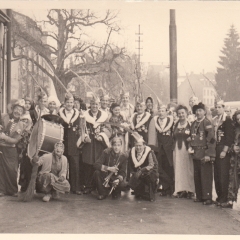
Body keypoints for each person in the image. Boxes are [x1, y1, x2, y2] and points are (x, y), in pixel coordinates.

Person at [81, 95, 112, 194]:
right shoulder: (84, 115)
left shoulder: (104, 116)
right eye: (93, 104)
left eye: (96, 104)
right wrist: (84, 136)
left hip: (99, 144)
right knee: (88, 165)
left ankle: (97, 186)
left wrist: (102, 135)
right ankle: (88, 186)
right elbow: (80, 129)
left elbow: (109, 130)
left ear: (99, 105)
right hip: (89, 144)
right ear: (90, 104)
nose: (95, 106)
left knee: (98, 165)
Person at [189, 102, 216, 205]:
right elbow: (192, 137)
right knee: (197, 175)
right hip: (196, 153)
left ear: (204, 112)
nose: (198, 112)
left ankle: (207, 197)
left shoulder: (207, 123)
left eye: (200, 110)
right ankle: (199, 196)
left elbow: (212, 139)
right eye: (196, 111)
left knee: (206, 176)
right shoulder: (194, 123)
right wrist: (190, 147)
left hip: (205, 153)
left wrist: (209, 154)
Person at [0, 99, 26, 197]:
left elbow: (15, 140)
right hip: (1, 147)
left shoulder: (22, 125)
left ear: (22, 113)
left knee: (12, 170)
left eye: (20, 110)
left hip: (11, 149)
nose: (17, 112)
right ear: (13, 109)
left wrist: (4, 137)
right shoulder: (4, 117)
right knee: (1, 169)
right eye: (16, 109)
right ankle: (2, 190)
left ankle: (12, 190)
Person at [148, 103, 174, 197]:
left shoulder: (171, 121)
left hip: (168, 147)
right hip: (159, 148)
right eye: (159, 111)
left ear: (167, 112)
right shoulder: (155, 121)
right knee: (160, 167)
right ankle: (165, 187)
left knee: (169, 167)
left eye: (163, 111)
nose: (161, 113)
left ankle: (170, 189)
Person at [58, 92, 82, 195]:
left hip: (74, 143)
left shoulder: (78, 114)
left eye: (71, 102)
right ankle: (60, 186)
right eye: (67, 102)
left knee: (74, 165)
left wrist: (80, 140)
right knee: (61, 165)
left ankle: (75, 187)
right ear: (64, 103)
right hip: (62, 142)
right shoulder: (59, 113)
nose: (69, 104)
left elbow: (82, 128)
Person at [212, 100, 234, 207]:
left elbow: (229, 138)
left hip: (222, 148)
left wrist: (225, 150)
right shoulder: (215, 120)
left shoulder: (227, 120)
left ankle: (224, 198)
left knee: (223, 174)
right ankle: (219, 196)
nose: (217, 109)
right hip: (216, 148)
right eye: (216, 107)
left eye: (220, 107)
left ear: (224, 108)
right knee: (217, 174)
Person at [173, 105, 195, 198]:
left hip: (187, 150)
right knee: (179, 169)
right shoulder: (175, 124)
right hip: (177, 150)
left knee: (189, 169)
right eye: (179, 113)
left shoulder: (191, 124)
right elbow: (173, 136)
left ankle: (190, 190)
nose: (181, 115)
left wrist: (191, 139)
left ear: (186, 113)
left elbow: (194, 135)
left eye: (183, 113)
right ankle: (180, 189)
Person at [128, 133, 159, 201]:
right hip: (138, 173)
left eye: (140, 146)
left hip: (149, 172)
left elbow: (152, 165)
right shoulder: (132, 152)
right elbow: (130, 164)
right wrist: (133, 173)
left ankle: (152, 194)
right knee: (134, 182)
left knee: (151, 177)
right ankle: (139, 191)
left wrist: (142, 170)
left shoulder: (149, 152)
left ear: (144, 145)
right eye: (136, 146)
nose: (138, 148)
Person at [222, 110, 240, 208]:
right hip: (236, 158)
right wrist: (233, 147)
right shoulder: (235, 129)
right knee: (233, 179)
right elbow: (231, 141)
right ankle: (230, 201)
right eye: (237, 119)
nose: (239, 120)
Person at [18, 112, 33, 192]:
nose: (25, 122)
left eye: (26, 120)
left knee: (27, 169)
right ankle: (22, 185)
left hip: (28, 152)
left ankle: (27, 186)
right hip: (20, 151)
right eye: (23, 120)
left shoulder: (31, 130)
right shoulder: (19, 128)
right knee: (21, 169)